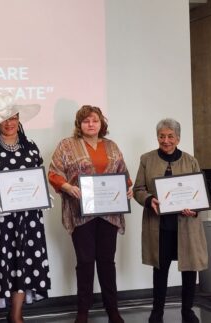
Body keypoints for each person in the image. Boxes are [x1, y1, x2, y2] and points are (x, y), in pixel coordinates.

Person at [0, 93, 51, 323]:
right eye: (5, 118)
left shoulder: (31, 146)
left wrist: (45, 196)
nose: (9, 123)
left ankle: (16, 315)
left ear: (19, 119)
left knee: (22, 264)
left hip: (28, 218)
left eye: (13, 117)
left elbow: (36, 177)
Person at [48, 105, 132, 323]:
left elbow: (123, 174)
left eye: (94, 120)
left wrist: (128, 188)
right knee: (85, 261)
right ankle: (82, 310)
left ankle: (112, 309)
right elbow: (53, 172)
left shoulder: (111, 146)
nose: (91, 124)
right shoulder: (67, 145)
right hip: (80, 212)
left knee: (107, 261)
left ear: (101, 123)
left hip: (109, 213)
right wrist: (67, 187)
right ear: (79, 124)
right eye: (86, 121)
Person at [133, 118, 207, 323]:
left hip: (186, 225)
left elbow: (199, 193)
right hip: (160, 226)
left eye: (170, 136)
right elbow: (138, 189)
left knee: (190, 269)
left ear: (178, 138)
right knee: (160, 268)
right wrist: (149, 200)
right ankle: (157, 312)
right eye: (161, 136)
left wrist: (195, 208)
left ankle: (187, 311)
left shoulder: (190, 161)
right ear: (157, 137)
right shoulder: (146, 159)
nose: (166, 140)